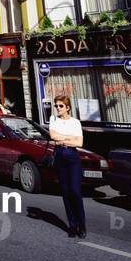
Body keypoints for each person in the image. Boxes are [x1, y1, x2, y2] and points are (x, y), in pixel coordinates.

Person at [49, 94, 86, 239]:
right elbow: (52, 136)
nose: (58, 108)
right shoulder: (53, 119)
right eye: (56, 106)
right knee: (65, 192)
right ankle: (72, 225)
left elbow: (79, 143)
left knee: (75, 191)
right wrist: (69, 138)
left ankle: (82, 225)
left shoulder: (75, 122)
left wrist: (62, 139)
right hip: (59, 157)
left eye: (61, 106)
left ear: (68, 108)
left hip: (72, 157)